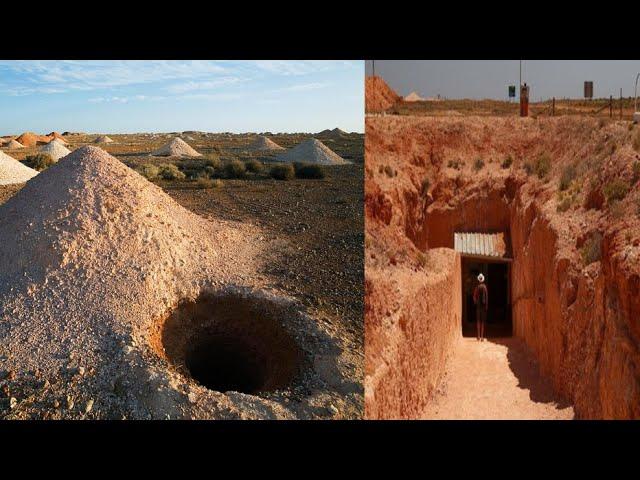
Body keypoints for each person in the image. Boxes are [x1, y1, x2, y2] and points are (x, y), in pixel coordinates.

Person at [472, 273, 489, 342]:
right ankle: (482, 337)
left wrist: (475, 303)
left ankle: (478, 336)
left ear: (478, 279)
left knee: (478, 321)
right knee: (482, 322)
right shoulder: (485, 287)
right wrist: (486, 306)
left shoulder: (477, 287)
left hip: (478, 307)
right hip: (483, 307)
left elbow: (474, 297)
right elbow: (487, 297)